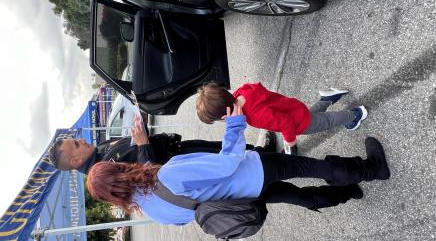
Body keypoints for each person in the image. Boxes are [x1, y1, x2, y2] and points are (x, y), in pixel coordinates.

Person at [86, 104, 390, 226]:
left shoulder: (152, 211)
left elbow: (186, 218)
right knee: (312, 168)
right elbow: (226, 164)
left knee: (299, 198)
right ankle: (372, 169)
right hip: (255, 171)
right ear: (120, 168)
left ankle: (350, 192)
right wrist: (234, 124)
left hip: (246, 200)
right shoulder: (167, 174)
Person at [49, 115, 276, 174]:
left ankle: (262, 153)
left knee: (219, 146)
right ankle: (268, 162)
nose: (81, 140)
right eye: (76, 144)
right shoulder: (101, 173)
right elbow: (145, 174)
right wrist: (143, 145)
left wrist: (140, 125)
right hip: (177, 162)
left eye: (76, 139)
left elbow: (135, 143)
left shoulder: (98, 151)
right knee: (224, 156)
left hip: (175, 148)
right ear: (76, 160)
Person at [196, 82, 367, 154]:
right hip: (293, 107)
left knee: (326, 121)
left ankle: (355, 114)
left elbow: (285, 123)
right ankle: (329, 98)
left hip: (298, 122)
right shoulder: (242, 91)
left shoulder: (254, 116)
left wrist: (290, 143)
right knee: (312, 114)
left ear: (225, 116)